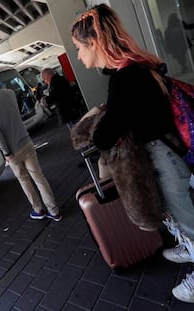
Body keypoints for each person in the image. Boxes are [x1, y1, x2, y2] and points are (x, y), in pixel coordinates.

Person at [71, 4, 194, 303]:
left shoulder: (125, 79)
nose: (77, 54)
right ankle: (189, 244)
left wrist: (99, 120)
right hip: (169, 153)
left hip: (164, 158)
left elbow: (104, 135)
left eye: (77, 47)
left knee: (187, 217)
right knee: (180, 213)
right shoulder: (136, 66)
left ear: (94, 43)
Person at [0, 66, 62, 222]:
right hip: (26, 141)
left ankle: (38, 210)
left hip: (12, 151)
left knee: (24, 180)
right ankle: (54, 211)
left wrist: (6, 153)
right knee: (39, 177)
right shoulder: (9, 93)